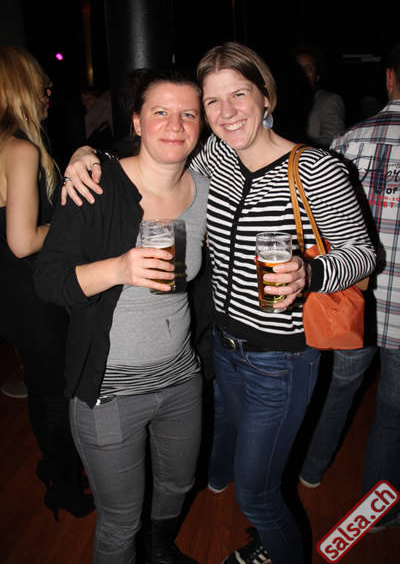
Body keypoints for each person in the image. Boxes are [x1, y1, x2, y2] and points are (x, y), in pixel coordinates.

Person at [59, 42, 376, 564]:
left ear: (265, 95)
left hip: (280, 358)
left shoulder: (319, 169)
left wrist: (311, 272)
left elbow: (363, 255)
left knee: (257, 493)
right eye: (212, 101)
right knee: (228, 464)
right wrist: (84, 155)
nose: (226, 112)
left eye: (239, 95)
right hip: (221, 352)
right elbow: (150, 155)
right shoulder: (215, 161)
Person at [34, 67, 209, 564]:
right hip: (109, 391)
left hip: (181, 380)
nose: (174, 125)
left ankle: (159, 550)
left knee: (177, 485)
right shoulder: (96, 184)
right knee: (120, 522)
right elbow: (48, 280)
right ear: (136, 121)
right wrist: (119, 268)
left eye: (188, 114)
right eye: (160, 112)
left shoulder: (204, 189)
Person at [299, 44, 400, 531]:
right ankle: (378, 514)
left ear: (389, 78)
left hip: (352, 301)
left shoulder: (347, 141)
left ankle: (311, 471)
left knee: (339, 390)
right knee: (392, 413)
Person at [0, 46, 93, 520]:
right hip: (32, 292)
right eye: (40, 84)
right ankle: (66, 488)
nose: (48, 91)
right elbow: (22, 241)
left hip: (11, 292)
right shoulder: (21, 149)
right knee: (57, 394)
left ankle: (53, 469)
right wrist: (71, 224)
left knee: (41, 387)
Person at [294, 46, 346, 147]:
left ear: (317, 76)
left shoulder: (329, 100)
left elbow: (332, 139)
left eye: (309, 68)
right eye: (298, 68)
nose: (302, 72)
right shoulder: (279, 101)